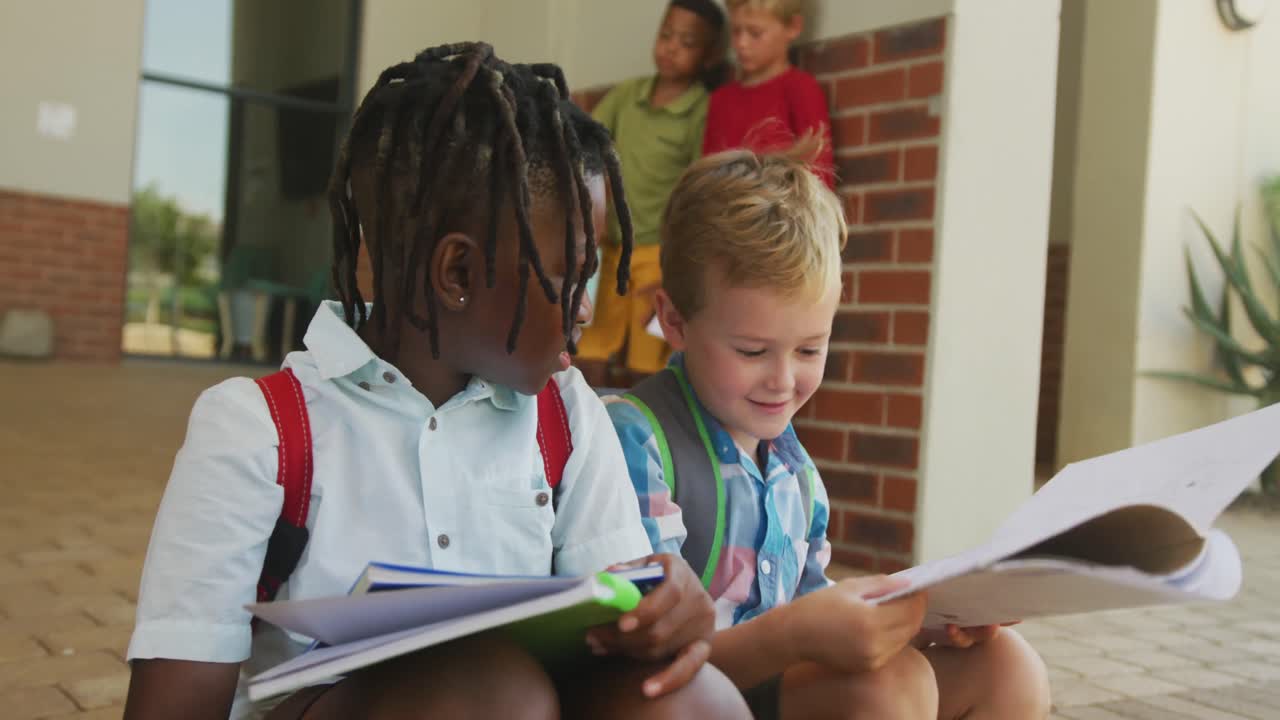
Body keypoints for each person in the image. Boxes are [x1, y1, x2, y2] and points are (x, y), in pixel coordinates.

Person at [123, 43, 747, 720]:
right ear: (456, 275)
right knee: (487, 694)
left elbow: (618, 626)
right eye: (568, 280)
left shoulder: (567, 417)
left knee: (686, 697)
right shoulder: (259, 431)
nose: (587, 310)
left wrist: (662, 612)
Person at [607, 141, 1052, 719]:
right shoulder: (636, 440)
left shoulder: (795, 473)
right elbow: (646, 661)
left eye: (811, 348)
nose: (783, 379)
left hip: (781, 686)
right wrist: (796, 635)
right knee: (887, 689)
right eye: (752, 350)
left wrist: (914, 624)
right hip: (693, 699)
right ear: (674, 321)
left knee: (1006, 665)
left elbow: (814, 620)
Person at [576, 0, 726, 387]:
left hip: (657, 254)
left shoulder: (700, 109)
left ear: (708, 56)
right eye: (666, 35)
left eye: (687, 42)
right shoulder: (628, 97)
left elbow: (698, 184)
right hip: (609, 250)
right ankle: (589, 425)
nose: (671, 47)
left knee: (650, 356)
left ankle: (641, 434)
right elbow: (587, 139)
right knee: (590, 344)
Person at [701, 0, 835, 187]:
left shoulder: (801, 89)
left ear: (793, 27)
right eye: (736, 31)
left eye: (755, 33)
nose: (742, 43)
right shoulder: (720, 100)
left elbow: (820, 180)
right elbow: (705, 178)